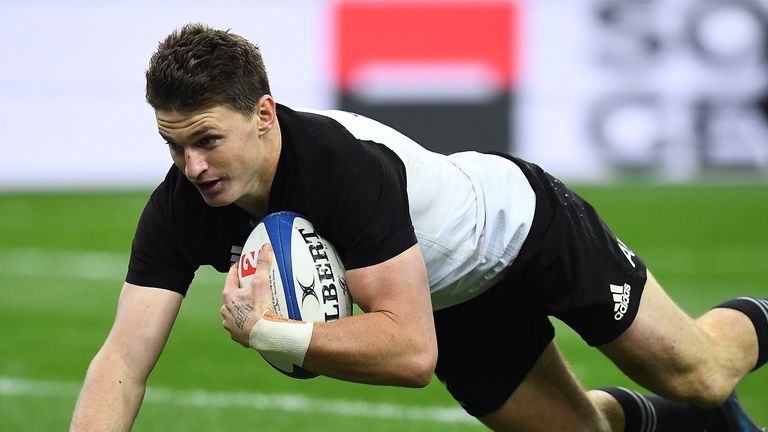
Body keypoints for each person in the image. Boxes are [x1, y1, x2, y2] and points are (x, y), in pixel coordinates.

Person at [69, 23, 767, 432]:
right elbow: (122, 362)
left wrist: (273, 334)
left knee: (699, 374)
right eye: (172, 145)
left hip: (523, 230)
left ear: (263, 114)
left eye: (206, 140)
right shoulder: (179, 206)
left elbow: (409, 356)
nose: (191, 166)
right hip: (448, 300)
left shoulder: (340, 167)